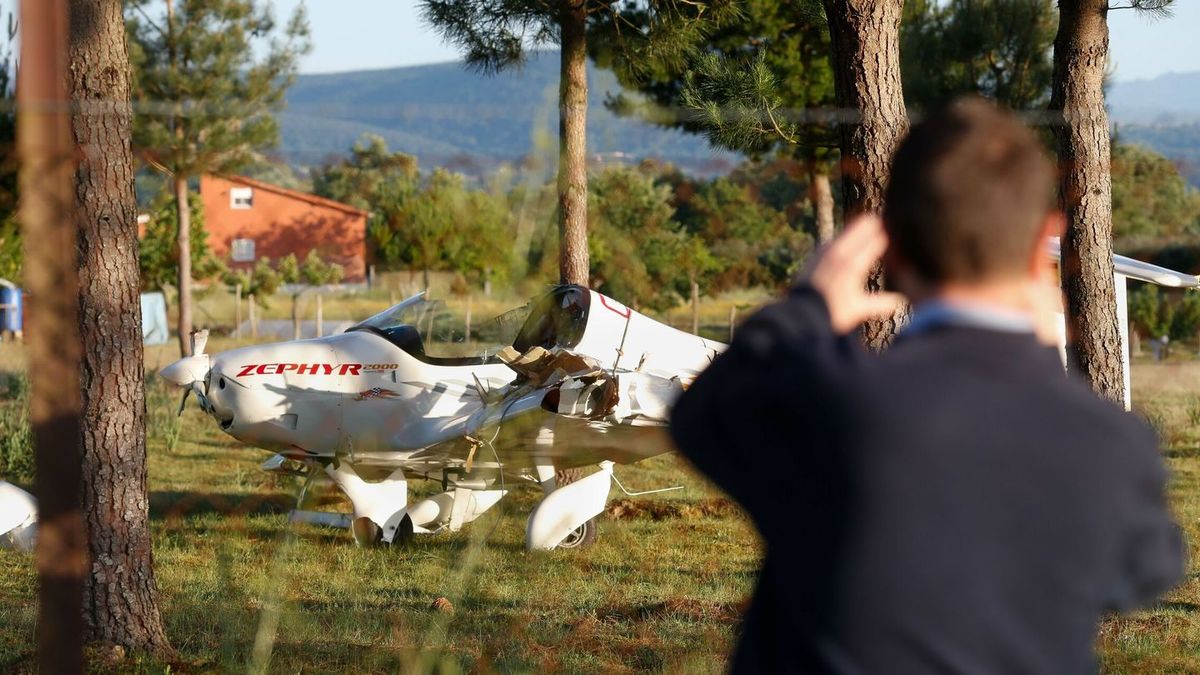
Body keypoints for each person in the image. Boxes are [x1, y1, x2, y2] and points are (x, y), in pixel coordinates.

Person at [671, 99, 1185, 674]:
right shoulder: (1112, 442)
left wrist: (808, 308)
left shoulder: (831, 403)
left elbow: (703, 416)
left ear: (891, 245)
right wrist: (1038, 363)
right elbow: (1146, 569)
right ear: (1048, 236)